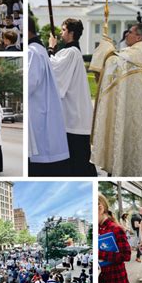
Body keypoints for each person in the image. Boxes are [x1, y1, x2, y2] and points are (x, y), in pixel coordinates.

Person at [90, 23, 142, 176]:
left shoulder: (134, 54)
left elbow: (112, 63)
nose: (126, 34)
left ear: (139, 37)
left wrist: (106, 48)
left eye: (130, 32)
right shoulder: (137, 52)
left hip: (130, 111)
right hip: (135, 111)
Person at [48, 18, 96, 176]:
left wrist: (50, 48)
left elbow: (53, 71)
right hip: (74, 117)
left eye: (63, 30)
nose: (61, 33)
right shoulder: (71, 52)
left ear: (71, 33)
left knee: (78, 161)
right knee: (78, 159)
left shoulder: (71, 53)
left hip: (73, 118)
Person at [28, 16, 70, 176]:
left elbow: (29, 83)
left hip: (38, 113)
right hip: (40, 110)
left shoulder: (32, 51)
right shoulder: (38, 50)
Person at [98, 193, 132, 283]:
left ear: (100, 208)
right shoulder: (98, 228)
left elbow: (126, 255)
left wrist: (100, 254)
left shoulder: (115, 229)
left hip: (115, 279)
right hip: (101, 280)